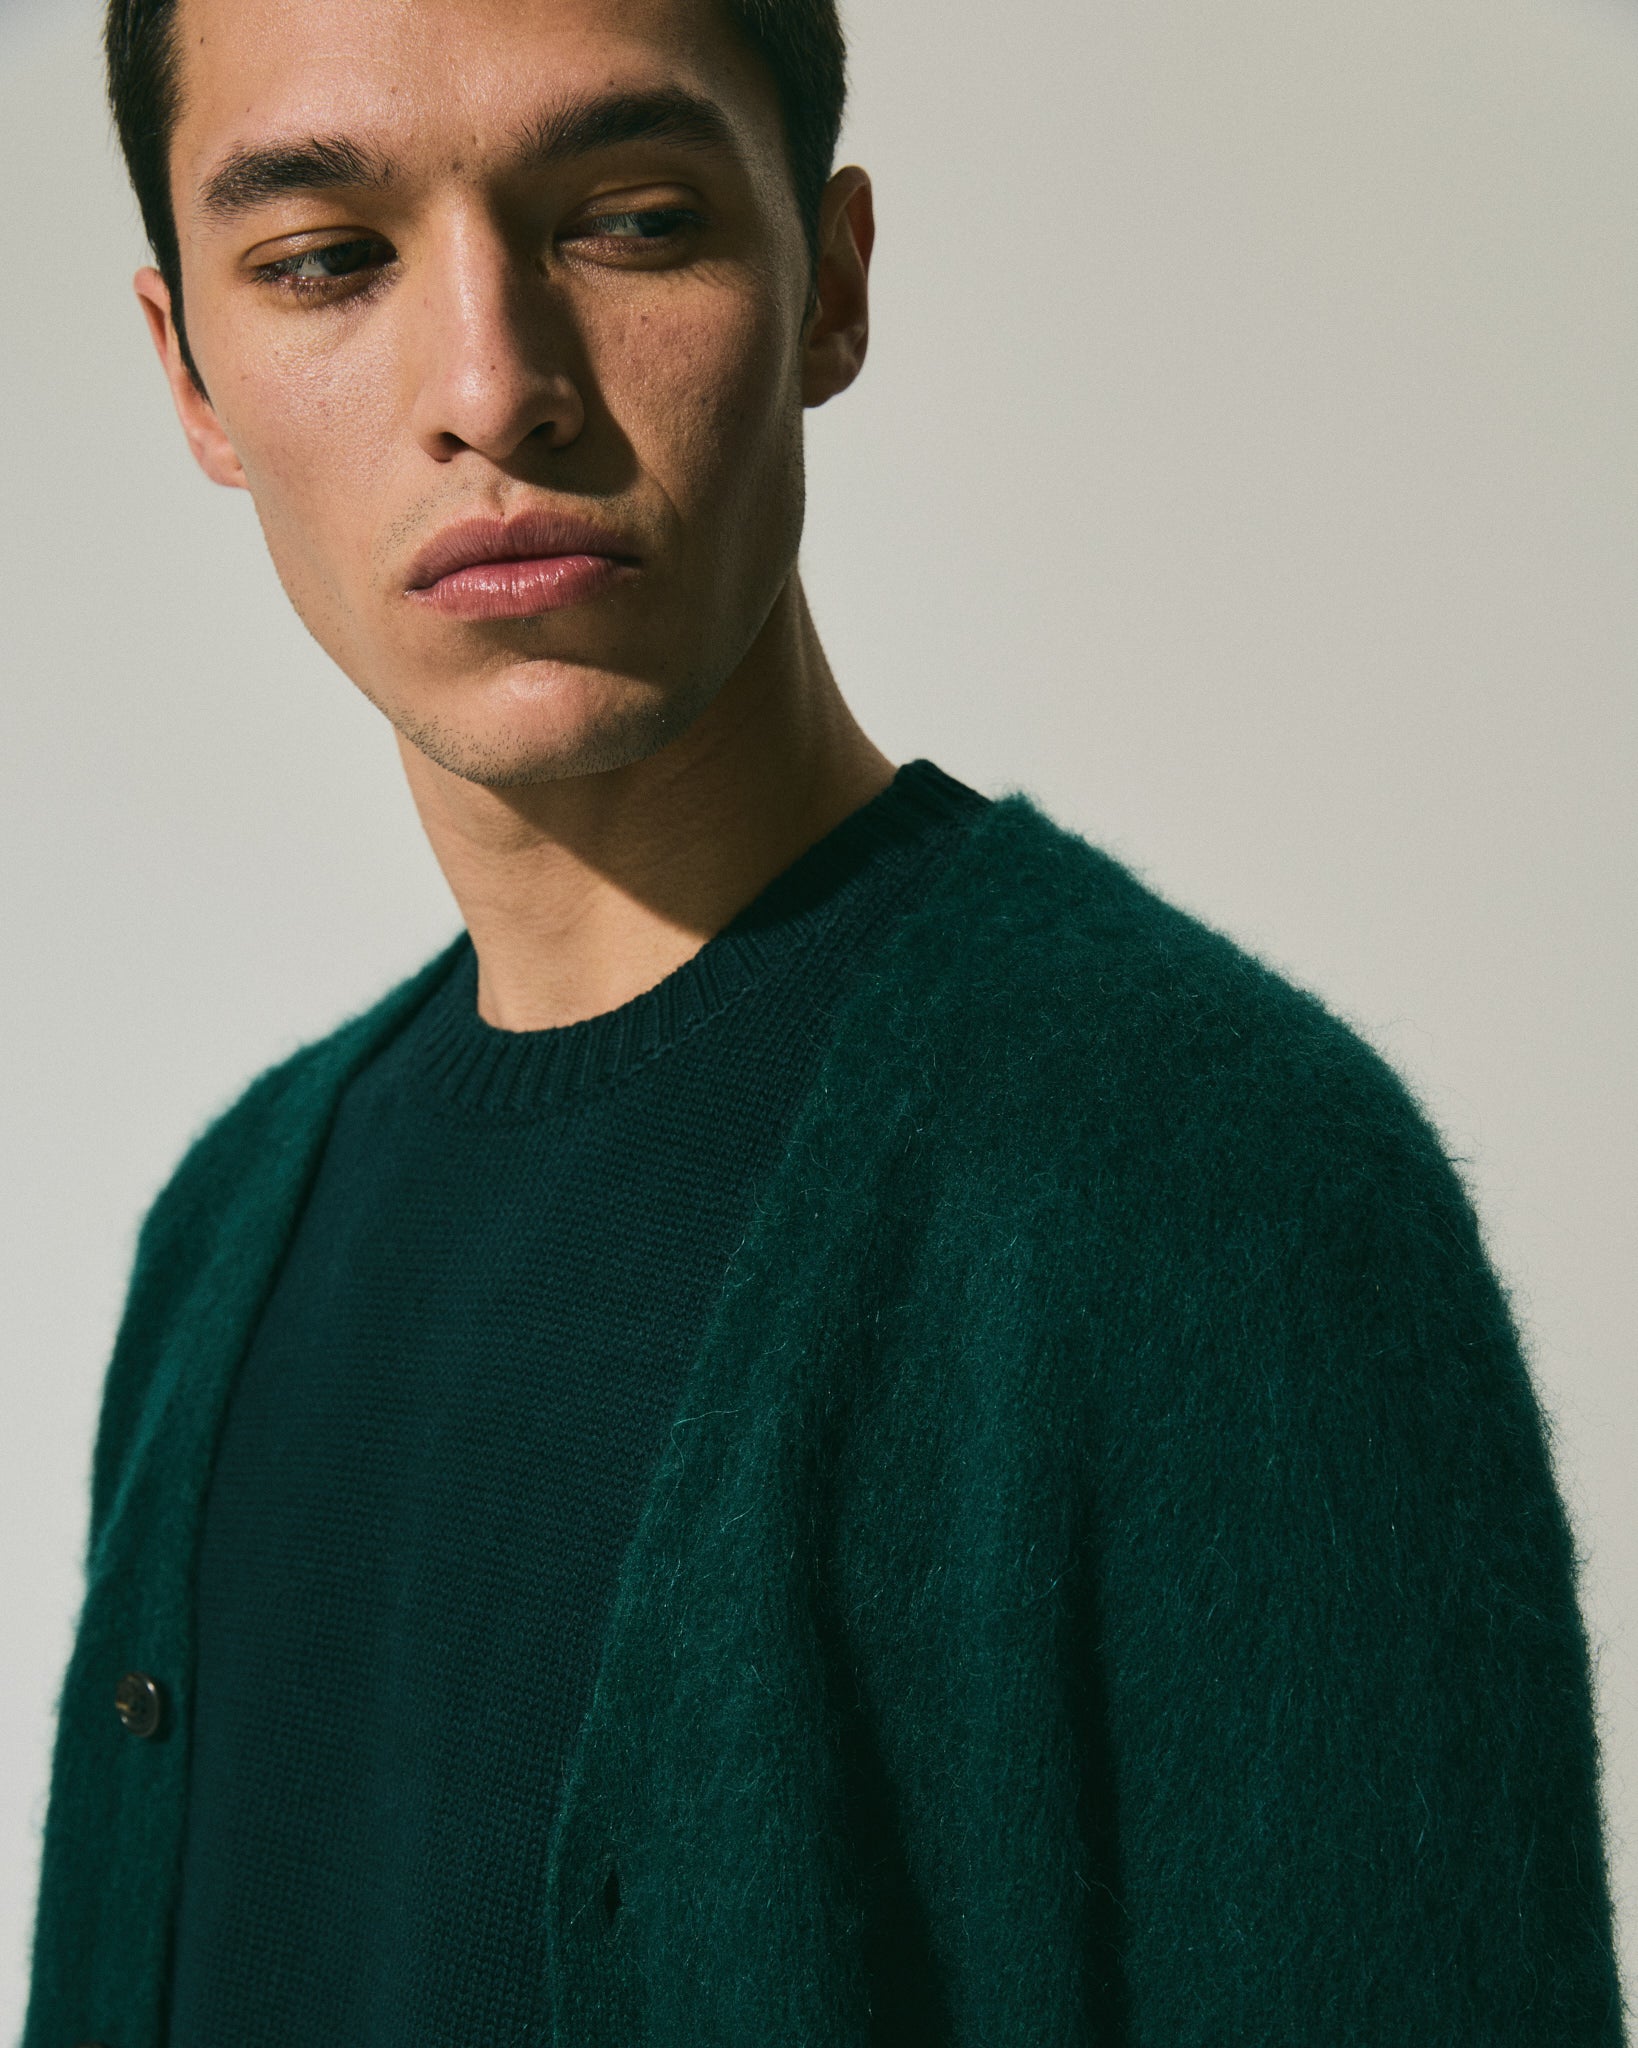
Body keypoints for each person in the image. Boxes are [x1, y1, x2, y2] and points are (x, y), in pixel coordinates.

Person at [23, 0, 1625, 2038]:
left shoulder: (1211, 1187)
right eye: (328, 259)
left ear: (829, 285)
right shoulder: (228, 1229)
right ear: (190, 371)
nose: (493, 388)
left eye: (629, 220)